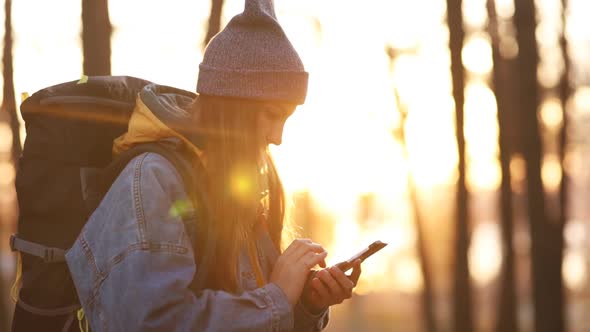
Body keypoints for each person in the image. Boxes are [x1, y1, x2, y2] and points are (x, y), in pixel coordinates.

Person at [65, 0, 362, 330]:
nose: (278, 137)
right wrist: (278, 296)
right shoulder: (152, 179)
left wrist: (305, 303)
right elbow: (152, 322)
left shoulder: (247, 187)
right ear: (234, 107)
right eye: (273, 115)